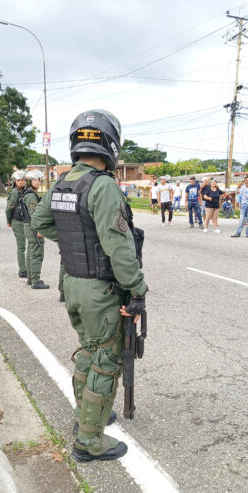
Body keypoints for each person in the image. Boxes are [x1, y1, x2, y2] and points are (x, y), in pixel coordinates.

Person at [32, 109, 147, 462]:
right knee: (105, 362)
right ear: (111, 144)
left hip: (73, 283)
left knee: (88, 351)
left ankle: (86, 414)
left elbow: (41, 222)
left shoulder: (63, 182)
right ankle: (90, 440)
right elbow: (119, 248)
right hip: (100, 289)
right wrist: (138, 289)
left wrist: (76, 243)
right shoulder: (103, 185)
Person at [23, 170, 49, 289]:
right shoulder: (31, 195)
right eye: (36, 180)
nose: (38, 182)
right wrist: (39, 230)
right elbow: (34, 215)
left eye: (39, 180)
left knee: (31, 252)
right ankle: (35, 280)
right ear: (29, 182)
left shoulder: (28, 193)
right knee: (36, 253)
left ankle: (31, 277)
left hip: (29, 226)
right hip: (33, 226)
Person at [5, 170, 28, 279]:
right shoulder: (14, 193)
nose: (21, 182)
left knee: (27, 246)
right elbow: (9, 208)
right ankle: (23, 270)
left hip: (25, 221)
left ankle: (26, 268)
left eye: (22, 180)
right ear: (15, 182)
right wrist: (9, 221)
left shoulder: (25, 191)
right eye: (19, 180)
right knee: (21, 246)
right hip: (17, 221)